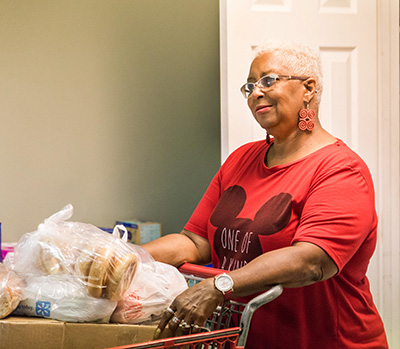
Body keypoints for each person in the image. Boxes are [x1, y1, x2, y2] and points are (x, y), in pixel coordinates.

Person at [142, 40, 388, 348]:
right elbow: (196, 241)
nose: (255, 92)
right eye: (249, 86)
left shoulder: (341, 170)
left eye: (268, 80)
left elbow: (311, 261)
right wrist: (123, 258)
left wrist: (220, 285)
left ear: (308, 88)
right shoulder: (240, 160)